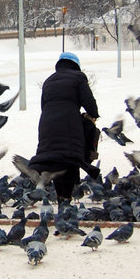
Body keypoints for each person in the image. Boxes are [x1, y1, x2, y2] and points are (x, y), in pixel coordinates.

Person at [27, 52, 100, 202]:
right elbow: (90, 104)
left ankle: (60, 196)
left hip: (47, 126)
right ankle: (65, 198)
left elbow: (43, 106)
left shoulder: (48, 81)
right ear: (76, 66)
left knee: (54, 159)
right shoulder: (78, 78)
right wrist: (92, 115)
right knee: (70, 158)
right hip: (69, 125)